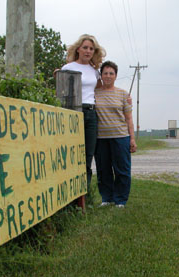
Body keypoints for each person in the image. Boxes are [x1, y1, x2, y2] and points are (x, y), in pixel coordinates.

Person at [60, 34, 106, 189]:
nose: (88, 51)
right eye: (85, 47)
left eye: (91, 49)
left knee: (88, 154)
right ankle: (69, 189)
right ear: (78, 49)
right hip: (73, 112)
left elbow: (101, 90)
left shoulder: (94, 71)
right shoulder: (68, 68)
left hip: (91, 113)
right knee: (72, 152)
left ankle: (83, 191)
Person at [94, 61, 137, 208]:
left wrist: (132, 138)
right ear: (101, 75)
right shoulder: (94, 93)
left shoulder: (124, 94)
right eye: (105, 73)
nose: (108, 76)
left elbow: (129, 118)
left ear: (116, 76)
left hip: (121, 137)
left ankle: (120, 200)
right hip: (100, 139)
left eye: (111, 73)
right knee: (103, 170)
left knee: (122, 170)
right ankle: (107, 198)